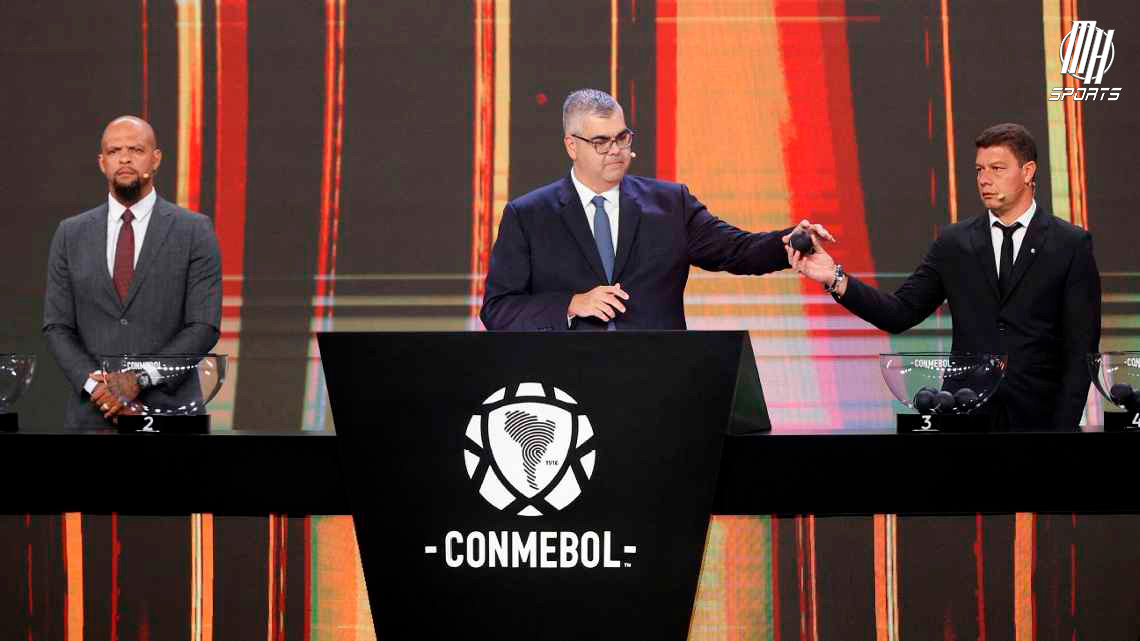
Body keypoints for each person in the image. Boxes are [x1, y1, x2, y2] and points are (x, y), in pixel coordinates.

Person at [787, 123, 1100, 431]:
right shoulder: (954, 243)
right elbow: (899, 312)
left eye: (997, 169)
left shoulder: (1070, 244)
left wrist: (1062, 429)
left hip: (1039, 420)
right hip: (965, 417)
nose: (984, 179)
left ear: (1028, 171)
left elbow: (1081, 347)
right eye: (979, 170)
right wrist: (835, 277)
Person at [480, 88, 832, 331]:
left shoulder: (670, 204)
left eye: (622, 138)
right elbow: (498, 310)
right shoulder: (528, 216)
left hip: (659, 376)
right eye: (601, 142)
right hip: (568, 385)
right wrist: (571, 304)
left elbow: (737, 250)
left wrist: (789, 242)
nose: (615, 150)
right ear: (572, 146)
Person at [43, 115, 222, 429]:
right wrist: (97, 388)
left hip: (171, 413)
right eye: (114, 151)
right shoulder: (70, 234)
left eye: (136, 150)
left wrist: (139, 378)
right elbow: (57, 326)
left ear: (156, 159)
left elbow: (203, 325)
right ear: (102, 163)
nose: (124, 158)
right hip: (92, 416)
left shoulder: (194, 230)